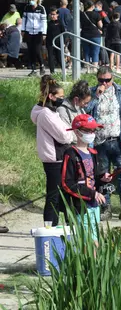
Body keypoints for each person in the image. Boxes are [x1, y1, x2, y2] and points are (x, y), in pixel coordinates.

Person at [86, 67, 121, 222]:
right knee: (103, 176)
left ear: (113, 78)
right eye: (101, 80)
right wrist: (96, 96)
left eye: (108, 80)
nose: (105, 83)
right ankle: (106, 207)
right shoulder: (92, 92)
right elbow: (84, 110)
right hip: (99, 141)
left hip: (119, 139)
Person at [31, 76, 73, 226]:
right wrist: (70, 133)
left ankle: (64, 225)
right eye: (60, 97)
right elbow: (64, 136)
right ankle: (50, 228)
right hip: (54, 158)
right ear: (51, 96)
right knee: (53, 196)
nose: (62, 99)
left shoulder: (51, 112)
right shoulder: (46, 114)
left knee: (61, 196)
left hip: (58, 157)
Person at [61, 114, 111, 242]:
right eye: (88, 130)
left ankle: (94, 262)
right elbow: (67, 183)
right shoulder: (70, 154)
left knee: (94, 239)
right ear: (77, 132)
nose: (92, 133)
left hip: (94, 204)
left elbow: (93, 177)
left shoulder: (93, 153)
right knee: (84, 240)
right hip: (80, 206)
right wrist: (92, 193)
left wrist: (102, 178)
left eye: (93, 130)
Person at [23, 0, 47, 77]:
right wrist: (23, 30)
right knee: (31, 51)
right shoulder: (27, 8)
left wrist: (44, 32)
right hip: (29, 31)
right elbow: (24, 19)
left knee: (37, 50)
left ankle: (42, 66)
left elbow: (44, 22)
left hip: (39, 32)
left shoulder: (41, 8)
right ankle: (33, 69)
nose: (31, 1)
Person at [80, 0, 102, 72]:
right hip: (95, 35)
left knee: (86, 52)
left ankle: (88, 69)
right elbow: (100, 25)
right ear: (92, 6)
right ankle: (94, 69)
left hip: (85, 35)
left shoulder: (82, 14)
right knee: (95, 52)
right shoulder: (96, 14)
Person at [45, 7, 65, 74]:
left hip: (58, 43)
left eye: (54, 14)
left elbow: (63, 32)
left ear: (57, 15)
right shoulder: (49, 23)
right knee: (50, 57)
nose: (52, 16)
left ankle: (63, 70)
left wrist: (64, 42)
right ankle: (52, 71)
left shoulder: (60, 23)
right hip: (50, 42)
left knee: (59, 57)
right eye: (51, 14)